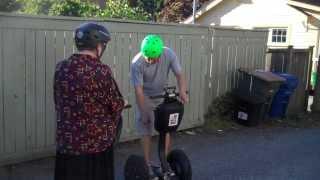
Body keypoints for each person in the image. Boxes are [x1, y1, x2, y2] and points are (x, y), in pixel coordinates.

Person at [54, 22, 125, 180]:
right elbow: (114, 104)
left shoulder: (61, 68)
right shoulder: (101, 70)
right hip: (95, 148)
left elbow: (57, 101)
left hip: (66, 145)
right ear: (98, 46)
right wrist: (122, 102)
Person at [130, 34, 189, 178]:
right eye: (148, 57)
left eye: (154, 57)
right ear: (143, 53)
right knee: (146, 129)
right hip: (146, 97)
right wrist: (144, 112)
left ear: (160, 53)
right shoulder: (137, 63)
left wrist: (182, 91)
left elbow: (179, 74)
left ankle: (165, 164)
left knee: (166, 128)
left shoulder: (168, 53)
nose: (151, 60)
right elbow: (138, 91)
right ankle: (147, 165)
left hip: (162, 96)